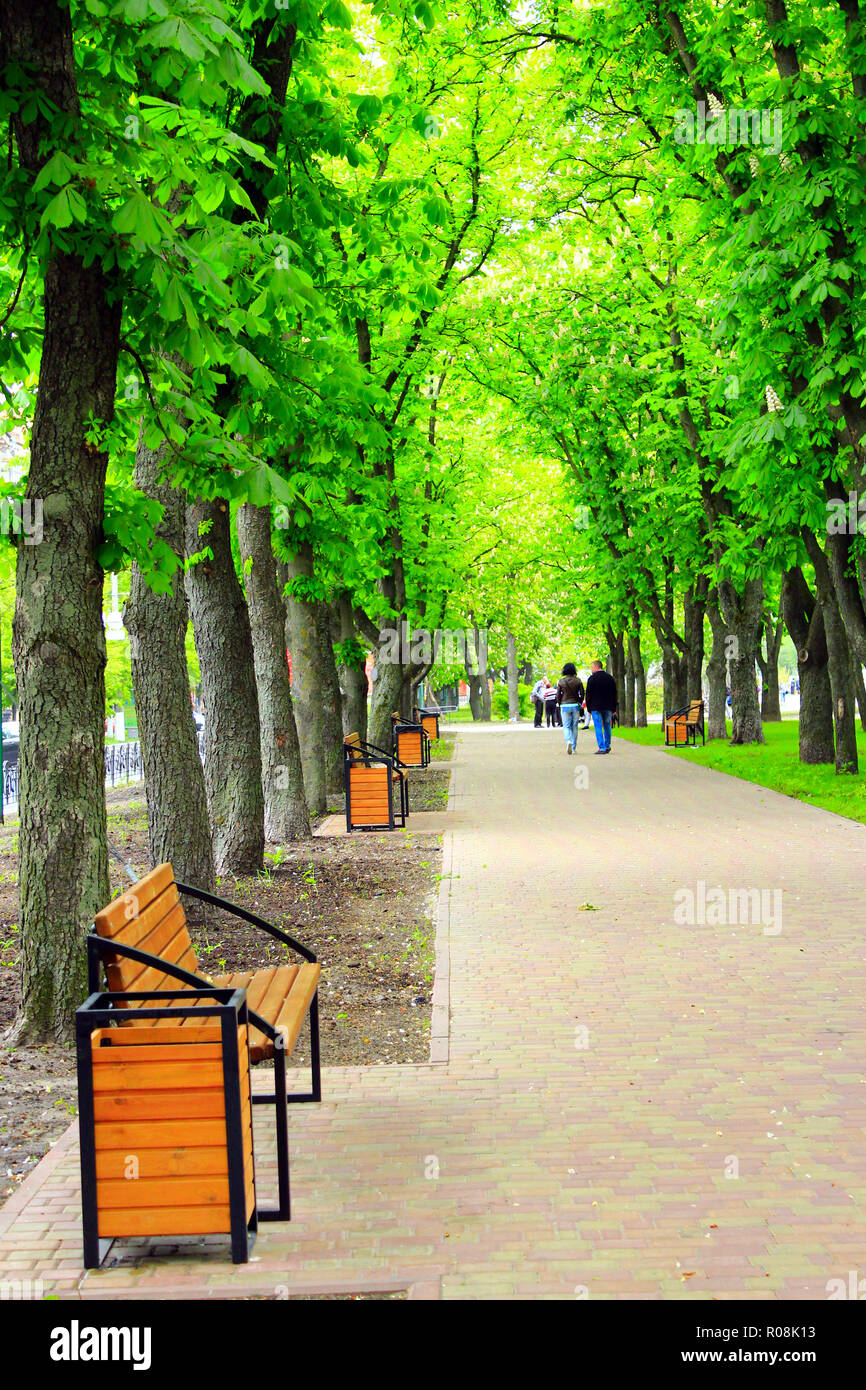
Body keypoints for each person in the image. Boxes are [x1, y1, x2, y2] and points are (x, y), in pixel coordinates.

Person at [584, 659, 617, 754]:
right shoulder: (610, 678)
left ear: (596, 667)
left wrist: (589, 708)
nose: (591, 669)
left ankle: (601, 747)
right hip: (608, 707)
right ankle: (607, 746)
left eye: (591, 667)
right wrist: (614, 708)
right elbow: (614, 693)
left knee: (598, 726)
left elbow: (588, 694)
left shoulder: (592, 679)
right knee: (607, 727)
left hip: (595, 707)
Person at [556, 662, 585, 754]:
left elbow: (558, 695)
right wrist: (579, 702)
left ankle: (568, 741)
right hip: (575, 705)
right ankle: (573, 748)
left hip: (564, 705)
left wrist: (559, 703)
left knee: (566, 726)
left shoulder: (561, 681)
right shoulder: (578, 681)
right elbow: (582, 693)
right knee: (574, 726)